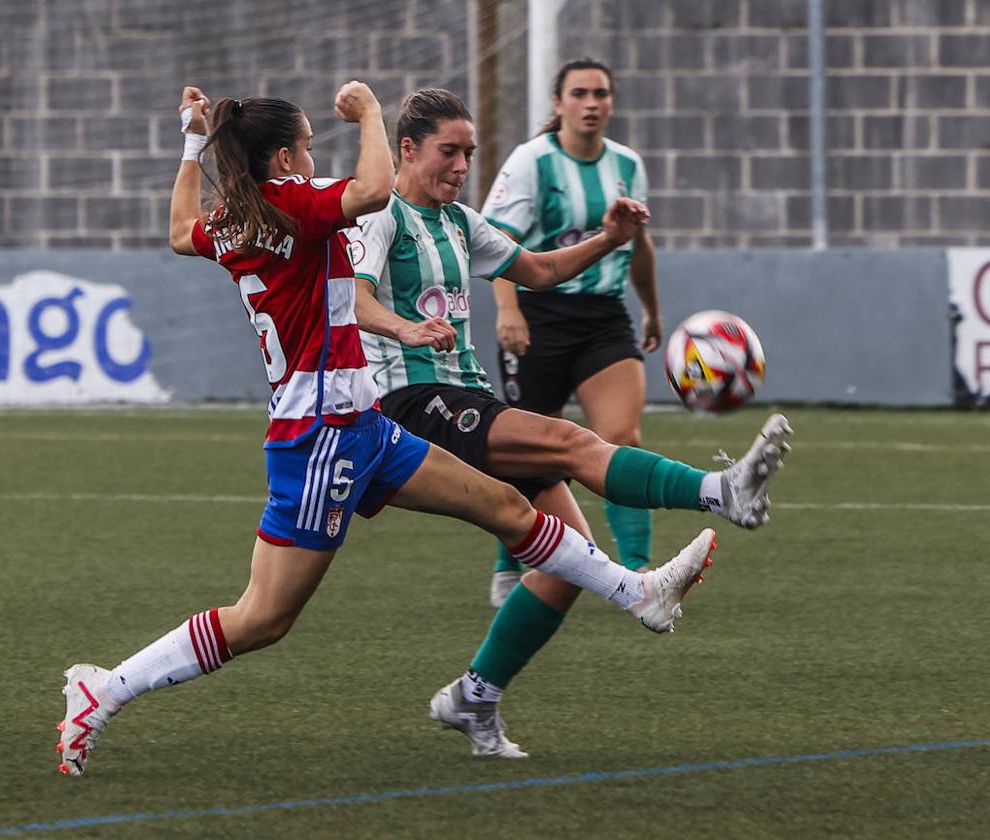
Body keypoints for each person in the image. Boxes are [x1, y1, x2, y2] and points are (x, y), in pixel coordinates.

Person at [54, 81, 721, 778]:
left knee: (508, 506)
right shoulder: (294, 207)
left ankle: (635, 592)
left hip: (358, 423)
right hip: (318, 438)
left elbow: (176, 230)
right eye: (309, 145)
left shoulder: (238, 218)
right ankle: (105, 689)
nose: (316, 156)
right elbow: (374, 191)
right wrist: (370, 112)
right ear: (283, 160)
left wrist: (193, 143)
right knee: (262, 618)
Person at [349, 88, 791, 758]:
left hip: (465, 395)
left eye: (469, 152)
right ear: (407, 150)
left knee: (566, 562)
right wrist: (406, 325)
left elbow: (539, 270)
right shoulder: (383, 216)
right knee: (571, 440)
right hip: (412, 403)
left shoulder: (462, 223)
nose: (462, 163)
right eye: (449, 151)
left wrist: (609, 239)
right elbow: (353, 299)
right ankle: (721, 493)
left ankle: (476, 696)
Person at [483, 58, 662, 602]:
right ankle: (509, 560)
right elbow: (497, 243)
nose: (592, 103)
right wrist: (508, 311)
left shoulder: (627, 165)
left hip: (604, 317)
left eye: (601, 94)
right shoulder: (531, 162)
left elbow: (637, 244)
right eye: (580, 93)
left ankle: (640, 572)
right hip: (540, 316)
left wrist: (652, 308)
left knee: (623, 438)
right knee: (530, 453)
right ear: (558, 103)